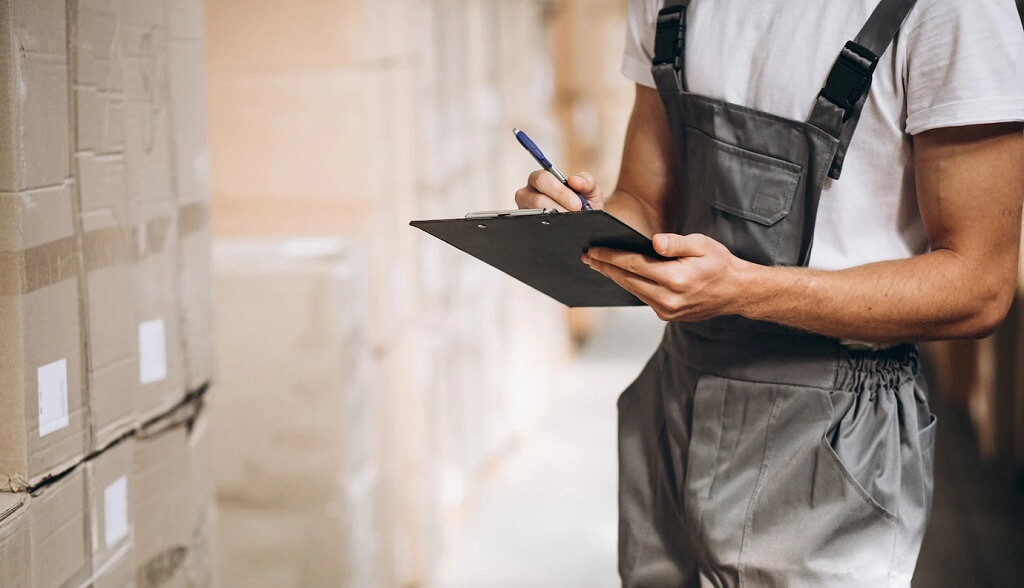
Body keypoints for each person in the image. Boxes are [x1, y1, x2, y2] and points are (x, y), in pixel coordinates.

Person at [514, 0, 1024, 585]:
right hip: (678, 398)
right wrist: (583, 221)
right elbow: (646, 200)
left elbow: (978, 284)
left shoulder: (953, 12)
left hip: (832, 434)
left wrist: (743, 290)